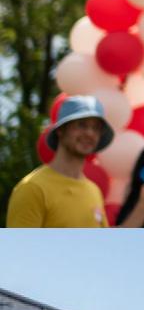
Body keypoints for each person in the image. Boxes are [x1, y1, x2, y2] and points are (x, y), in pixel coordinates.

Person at [6, 94, 111, 229]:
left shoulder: (94, 190)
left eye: (96, 128)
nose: (90, 133)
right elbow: (19, 249)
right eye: (81, 125)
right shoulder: (32, 188)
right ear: (61, 130)